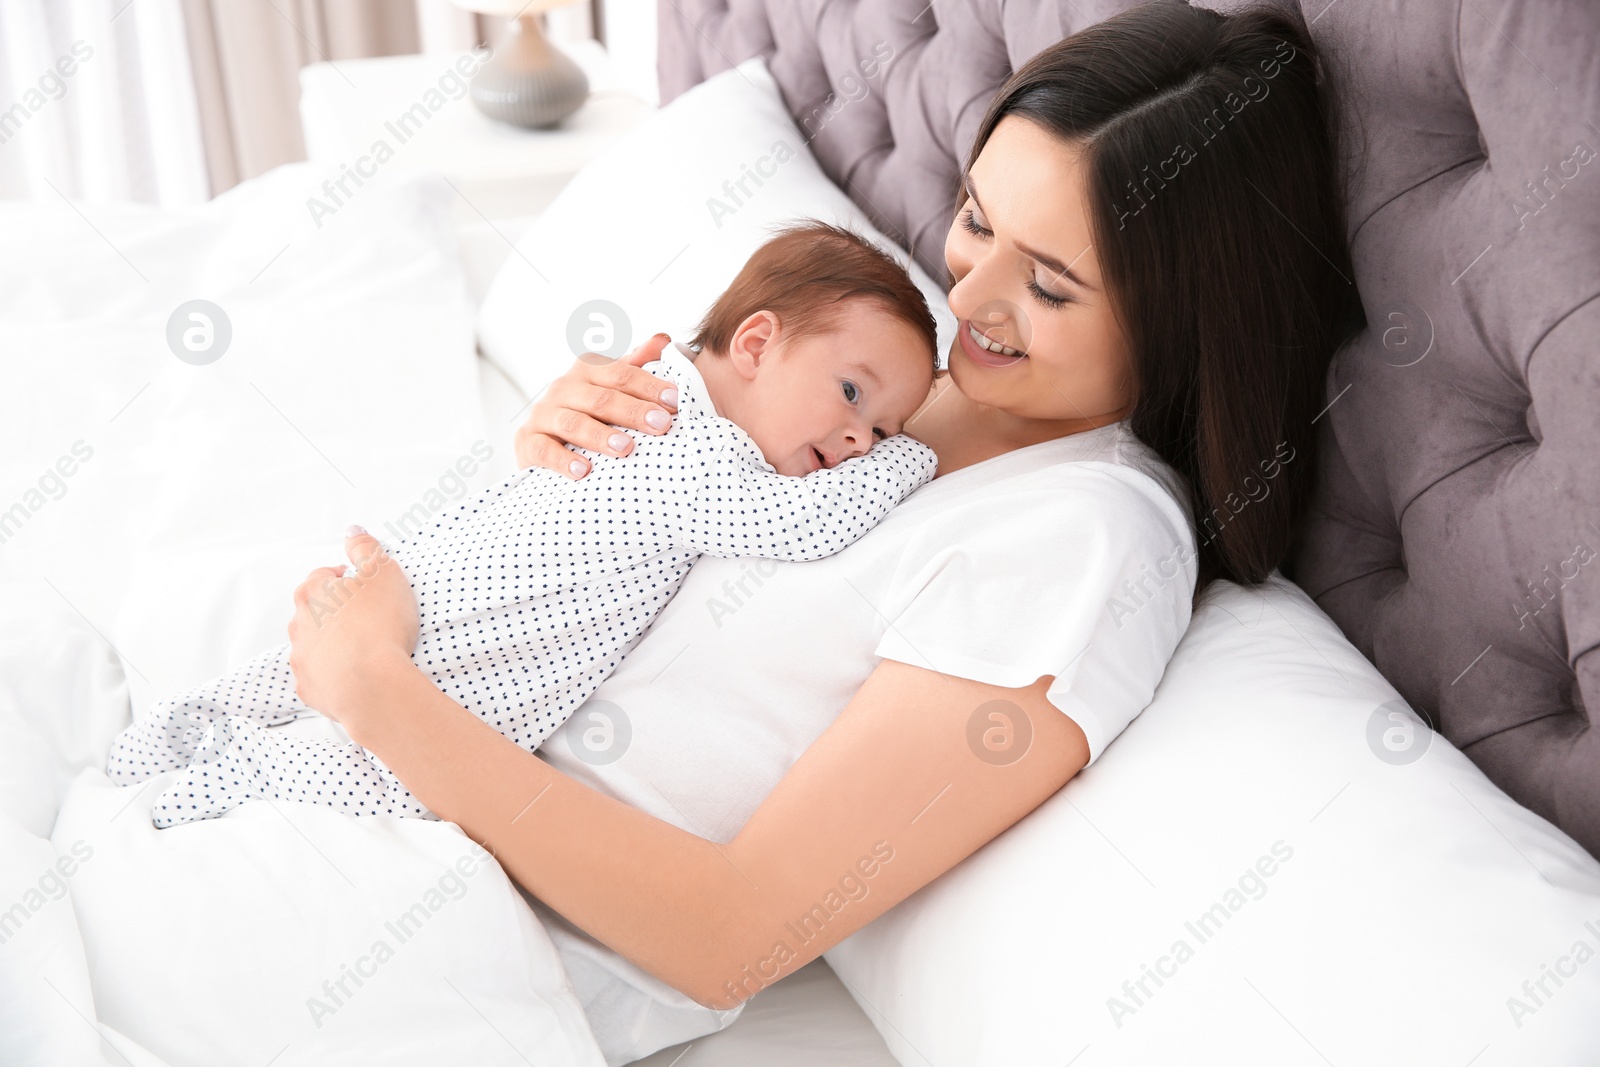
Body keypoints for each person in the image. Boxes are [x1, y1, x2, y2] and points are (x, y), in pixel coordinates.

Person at [276, 3, 1360, 1062]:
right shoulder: (892, 374)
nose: (967, 295)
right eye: (979, 219)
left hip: (464, 928)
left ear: (1187, 316)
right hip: (366, 765)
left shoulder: (1087, 542)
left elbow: (732, 932)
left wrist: (377, 687)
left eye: (1048, 285)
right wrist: (571, 455)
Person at [105, 221, 941, 828]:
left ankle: (145, 752)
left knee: (274, 681)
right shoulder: (697, 452)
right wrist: (917, 455)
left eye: (885, 432)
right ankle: (178, 808)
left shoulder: (653, 390)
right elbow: (806, 525)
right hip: (469, 652)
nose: (861, 442)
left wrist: (879, 425)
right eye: (853, 395)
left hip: (428, 579)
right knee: (378, 774)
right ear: (756, 343)